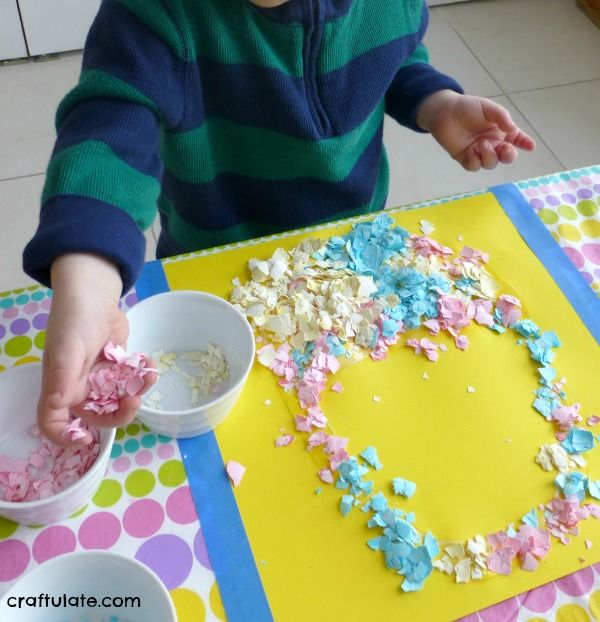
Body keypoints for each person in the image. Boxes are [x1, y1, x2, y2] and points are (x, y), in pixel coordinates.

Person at [23, 0, 536, 447]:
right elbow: (110, 133)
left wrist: (436, 104)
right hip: (217, 274)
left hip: (348, 272)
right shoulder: (155, 15)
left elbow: (397, 61)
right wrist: (88, 285)